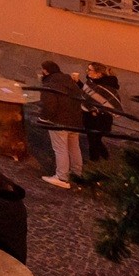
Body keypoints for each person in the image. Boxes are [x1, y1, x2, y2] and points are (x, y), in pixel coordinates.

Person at [38, 60, 84, 189]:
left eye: (43, 70)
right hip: (76, 121)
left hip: (59, 121)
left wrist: (43, 118)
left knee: (60, 148)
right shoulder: (70, 82)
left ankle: (62, 177)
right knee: (74, 147)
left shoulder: (50, 84)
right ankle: (77, 174)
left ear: (46, 71)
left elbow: (49, 105)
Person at [78, 62, 121, 163]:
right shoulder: (92, 82)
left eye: (90, 70)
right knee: (95, 142)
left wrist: (95, 110)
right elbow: (88, 94)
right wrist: (78, 83)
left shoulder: (106, 86)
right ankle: (106, 162)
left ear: (99, 74)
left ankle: (96, 164)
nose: (87, 71)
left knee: (94, 143)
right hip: (90, 118)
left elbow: (106, 102)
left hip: (100, 119)